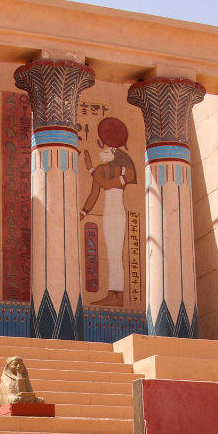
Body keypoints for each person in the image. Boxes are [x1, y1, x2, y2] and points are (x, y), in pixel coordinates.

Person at [81, 116, 135, 307]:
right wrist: (81, 214)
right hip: (108, 214)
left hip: (118, 213)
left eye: (106, 148)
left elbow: (107, 184)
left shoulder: (124, 169)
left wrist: (89, 169)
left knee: (116, 254)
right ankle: (112, 293)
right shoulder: (101, 170)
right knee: (111, 254)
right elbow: (93, 194)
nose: (103, 151)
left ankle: (118, 296)